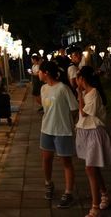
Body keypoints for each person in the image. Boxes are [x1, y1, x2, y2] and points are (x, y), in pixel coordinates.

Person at [75, 66, 111, 217]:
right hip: (86, 132)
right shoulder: (87, 92)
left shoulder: (93, 93)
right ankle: (105, 194)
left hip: (94, 132)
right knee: (93, 168)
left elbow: (83, 113)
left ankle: (95, 207)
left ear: (82, 79)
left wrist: (79, 93)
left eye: (77, 78)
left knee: (90, 168)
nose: (76, 81)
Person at [38, 61, 78, 208]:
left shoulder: (63, 88)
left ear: (46, 73)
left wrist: (68, 122)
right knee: (46, 159)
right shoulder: (43, 88)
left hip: (62, 131)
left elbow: (74, 109)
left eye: (40, 71)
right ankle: (48, 183)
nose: (38, 74)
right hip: (46, 129)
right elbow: (46, 108)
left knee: (66, 162)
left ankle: (69, 193)